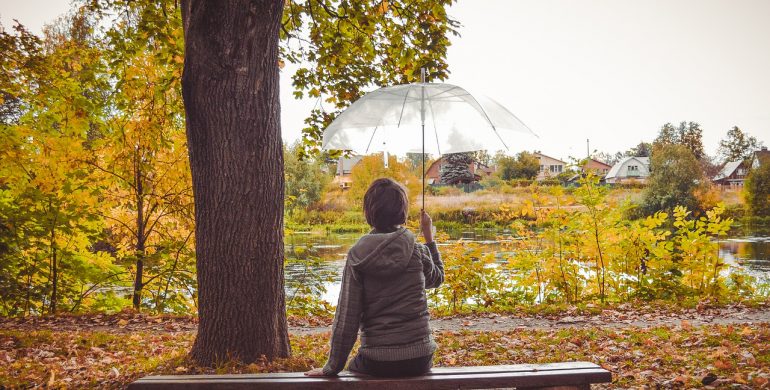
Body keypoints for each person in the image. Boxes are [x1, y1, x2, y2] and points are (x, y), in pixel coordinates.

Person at [304, 178, 444, 377]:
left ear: (369, 212)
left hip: (377, 359)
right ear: (402, 211)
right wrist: (429, 238)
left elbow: (347, 318)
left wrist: (331, 368)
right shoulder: (416, 250)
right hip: (420, 358)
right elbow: (436, 279)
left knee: (354, 370)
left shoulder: (358, 255)